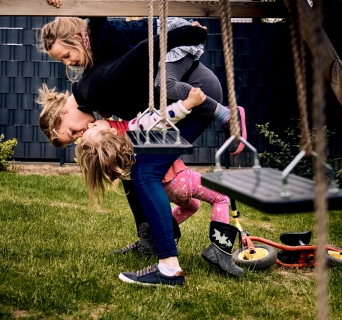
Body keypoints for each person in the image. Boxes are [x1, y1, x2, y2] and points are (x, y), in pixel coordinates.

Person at [37, 21, 244, 286]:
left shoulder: (95, 86)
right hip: (180, 99)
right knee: (129, 167)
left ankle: (169, 268)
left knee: (146, 173)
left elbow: (142, 52)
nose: (80, 135)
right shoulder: (89, 90)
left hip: (194, 93)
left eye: (72, 132)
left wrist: (184, 33)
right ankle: (151, 239)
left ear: (62, 115)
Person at [39, 14, 246, 155]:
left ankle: (226, 115)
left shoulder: (96, 34)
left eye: (73, 132)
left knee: (164, 85)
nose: (68, 63)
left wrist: (185, 33)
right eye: (62, 61)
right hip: (170, 55)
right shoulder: (91, 72)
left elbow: (98, 14)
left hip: (166, 33)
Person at [74, 117, 232, 259]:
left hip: (165, 190)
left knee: (193, 206)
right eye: (93, 126)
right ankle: (220, 249)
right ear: (110, 131)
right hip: (180, 179)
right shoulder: (132, 135)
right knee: (222, 197)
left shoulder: (120, 155)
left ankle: (156, 230)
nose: (90, 123)